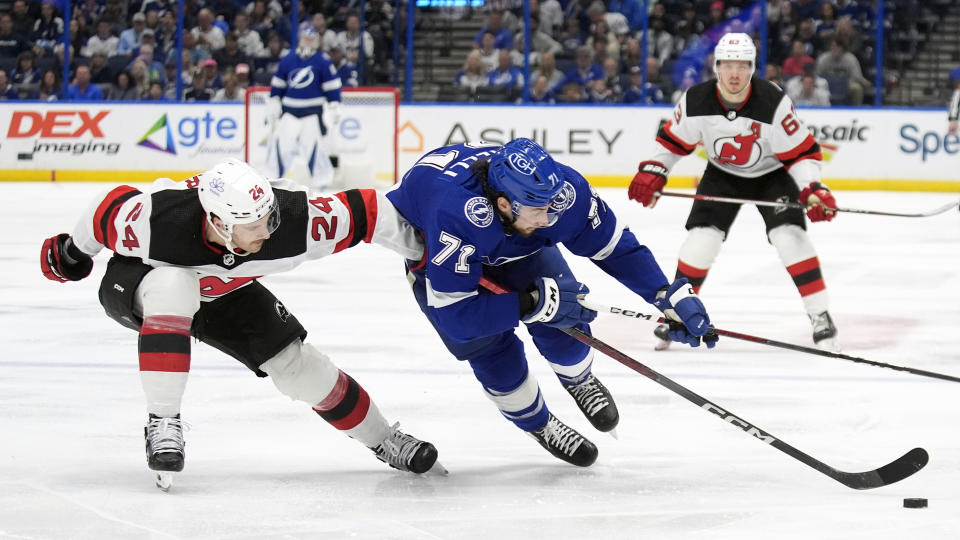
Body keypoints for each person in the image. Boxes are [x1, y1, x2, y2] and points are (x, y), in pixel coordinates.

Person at [39, 158, 440, 490]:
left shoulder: (295, 221)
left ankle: (385, 439)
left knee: (296, 365)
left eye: (268, 219)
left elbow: (369, 211)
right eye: (253, 226)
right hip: (142, 279)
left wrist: (427, 257)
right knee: (174, 285)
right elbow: (105, 209)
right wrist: (74, 254)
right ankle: (163, 422)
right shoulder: (157, 219)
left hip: (224, 290)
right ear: (219, 222)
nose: (267, 232)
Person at [385, 138, 716, 468]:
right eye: (538, 210)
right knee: (491, 354)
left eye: (552, 206)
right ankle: (539, 425)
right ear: (504, 204)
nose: (549, 219)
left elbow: (616, 248)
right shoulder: (456, 211)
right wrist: (530, 304)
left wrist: (665, 295)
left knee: (567, 318)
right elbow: (457, 318)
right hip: (439, 259)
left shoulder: (560, 194)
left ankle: (579, 378)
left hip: (515, 246)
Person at [626, 33, 841, 352]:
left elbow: (801, 153)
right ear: (717, 67)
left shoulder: (772, 102)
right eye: (728, 65)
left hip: (772, 176)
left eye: (742, 65)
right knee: (700, 241)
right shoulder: (695, 100)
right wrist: (654, 170)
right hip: (722, 175)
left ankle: (820, 315)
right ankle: (675, 314)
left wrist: (812, 187)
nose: (735, 74)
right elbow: (672, 143)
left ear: (752, 68)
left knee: (790, 238)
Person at [267, 29, 342, 190]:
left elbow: (332, 86)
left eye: (311, 39)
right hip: (289, 112)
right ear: (301, 39)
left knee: (315, 149)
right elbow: (278, 84)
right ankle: (273, 182)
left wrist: (334, 105)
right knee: (281, 148)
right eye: (306, 39)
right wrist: (274, 101)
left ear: (316, 41)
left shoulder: (323, 61)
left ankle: (322, 182)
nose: (308, 42)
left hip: (312, 114)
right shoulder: (288, 59)